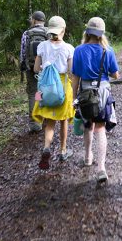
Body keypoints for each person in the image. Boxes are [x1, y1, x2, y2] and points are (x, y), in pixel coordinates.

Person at [72, 17, 119, 184]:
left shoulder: (78, 50)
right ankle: (101, 168)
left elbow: (75, 77)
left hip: (85, 93)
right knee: (100, 128)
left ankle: (87, 157)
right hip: (103, 93)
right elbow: (115, 74)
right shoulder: (108, 50)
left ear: (87, 32)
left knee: (88, 125)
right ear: (102, 34)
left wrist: (73, 98)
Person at [32, 16, 75, 170]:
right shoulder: (69, 48)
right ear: (63, 30)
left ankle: (46, 147)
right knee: (63, 120)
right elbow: (71, 71)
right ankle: (63, 151)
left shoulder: (42, 46)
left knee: (49, 121)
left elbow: (36, 69)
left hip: (45, 88)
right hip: (63, 87)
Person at [20, 11, 48, 133]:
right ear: (43, 21)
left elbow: (23, 53)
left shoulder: (27, 33)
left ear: (34, 20)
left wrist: (23, 66)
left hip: (31, 68)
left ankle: (34, 123)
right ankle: (46, 119)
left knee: (33, 93)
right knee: (44, 92)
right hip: (46, 69)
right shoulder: (48, 33)